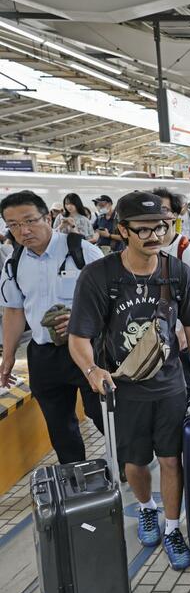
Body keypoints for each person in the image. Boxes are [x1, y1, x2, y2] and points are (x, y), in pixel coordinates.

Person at [68, 191, 190, 572]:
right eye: (143, 229)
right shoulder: (99, 276)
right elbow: (78, 337)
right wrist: (92, 371)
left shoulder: (175, 271)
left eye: (161, 227)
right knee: (135, 462)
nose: (154, 236)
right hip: (122, 389)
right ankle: (145, 508)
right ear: (122, 231)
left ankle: (170, 526)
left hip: (170, 386)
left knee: (170, 458)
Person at [0, 190, 105, 463]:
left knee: (102, 413)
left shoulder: (82, 251)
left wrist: (83, 318)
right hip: (44, 354)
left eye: (30, 221)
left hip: (87, 349)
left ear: (48, 217)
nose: (23, 231)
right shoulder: (14, 263)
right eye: (13, 225)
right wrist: (8, 357)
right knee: (60, 425)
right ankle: (77, 483)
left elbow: (112, 299)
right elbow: (14, 310)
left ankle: (132, 464)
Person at [155, 188, 190, 399]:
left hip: (178, 335)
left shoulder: (184, 249)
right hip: (151, 337)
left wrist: (183, 331)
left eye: (165, 210)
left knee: (186, 387)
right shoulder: (144, 247)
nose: (159, 215)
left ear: (175, 216)